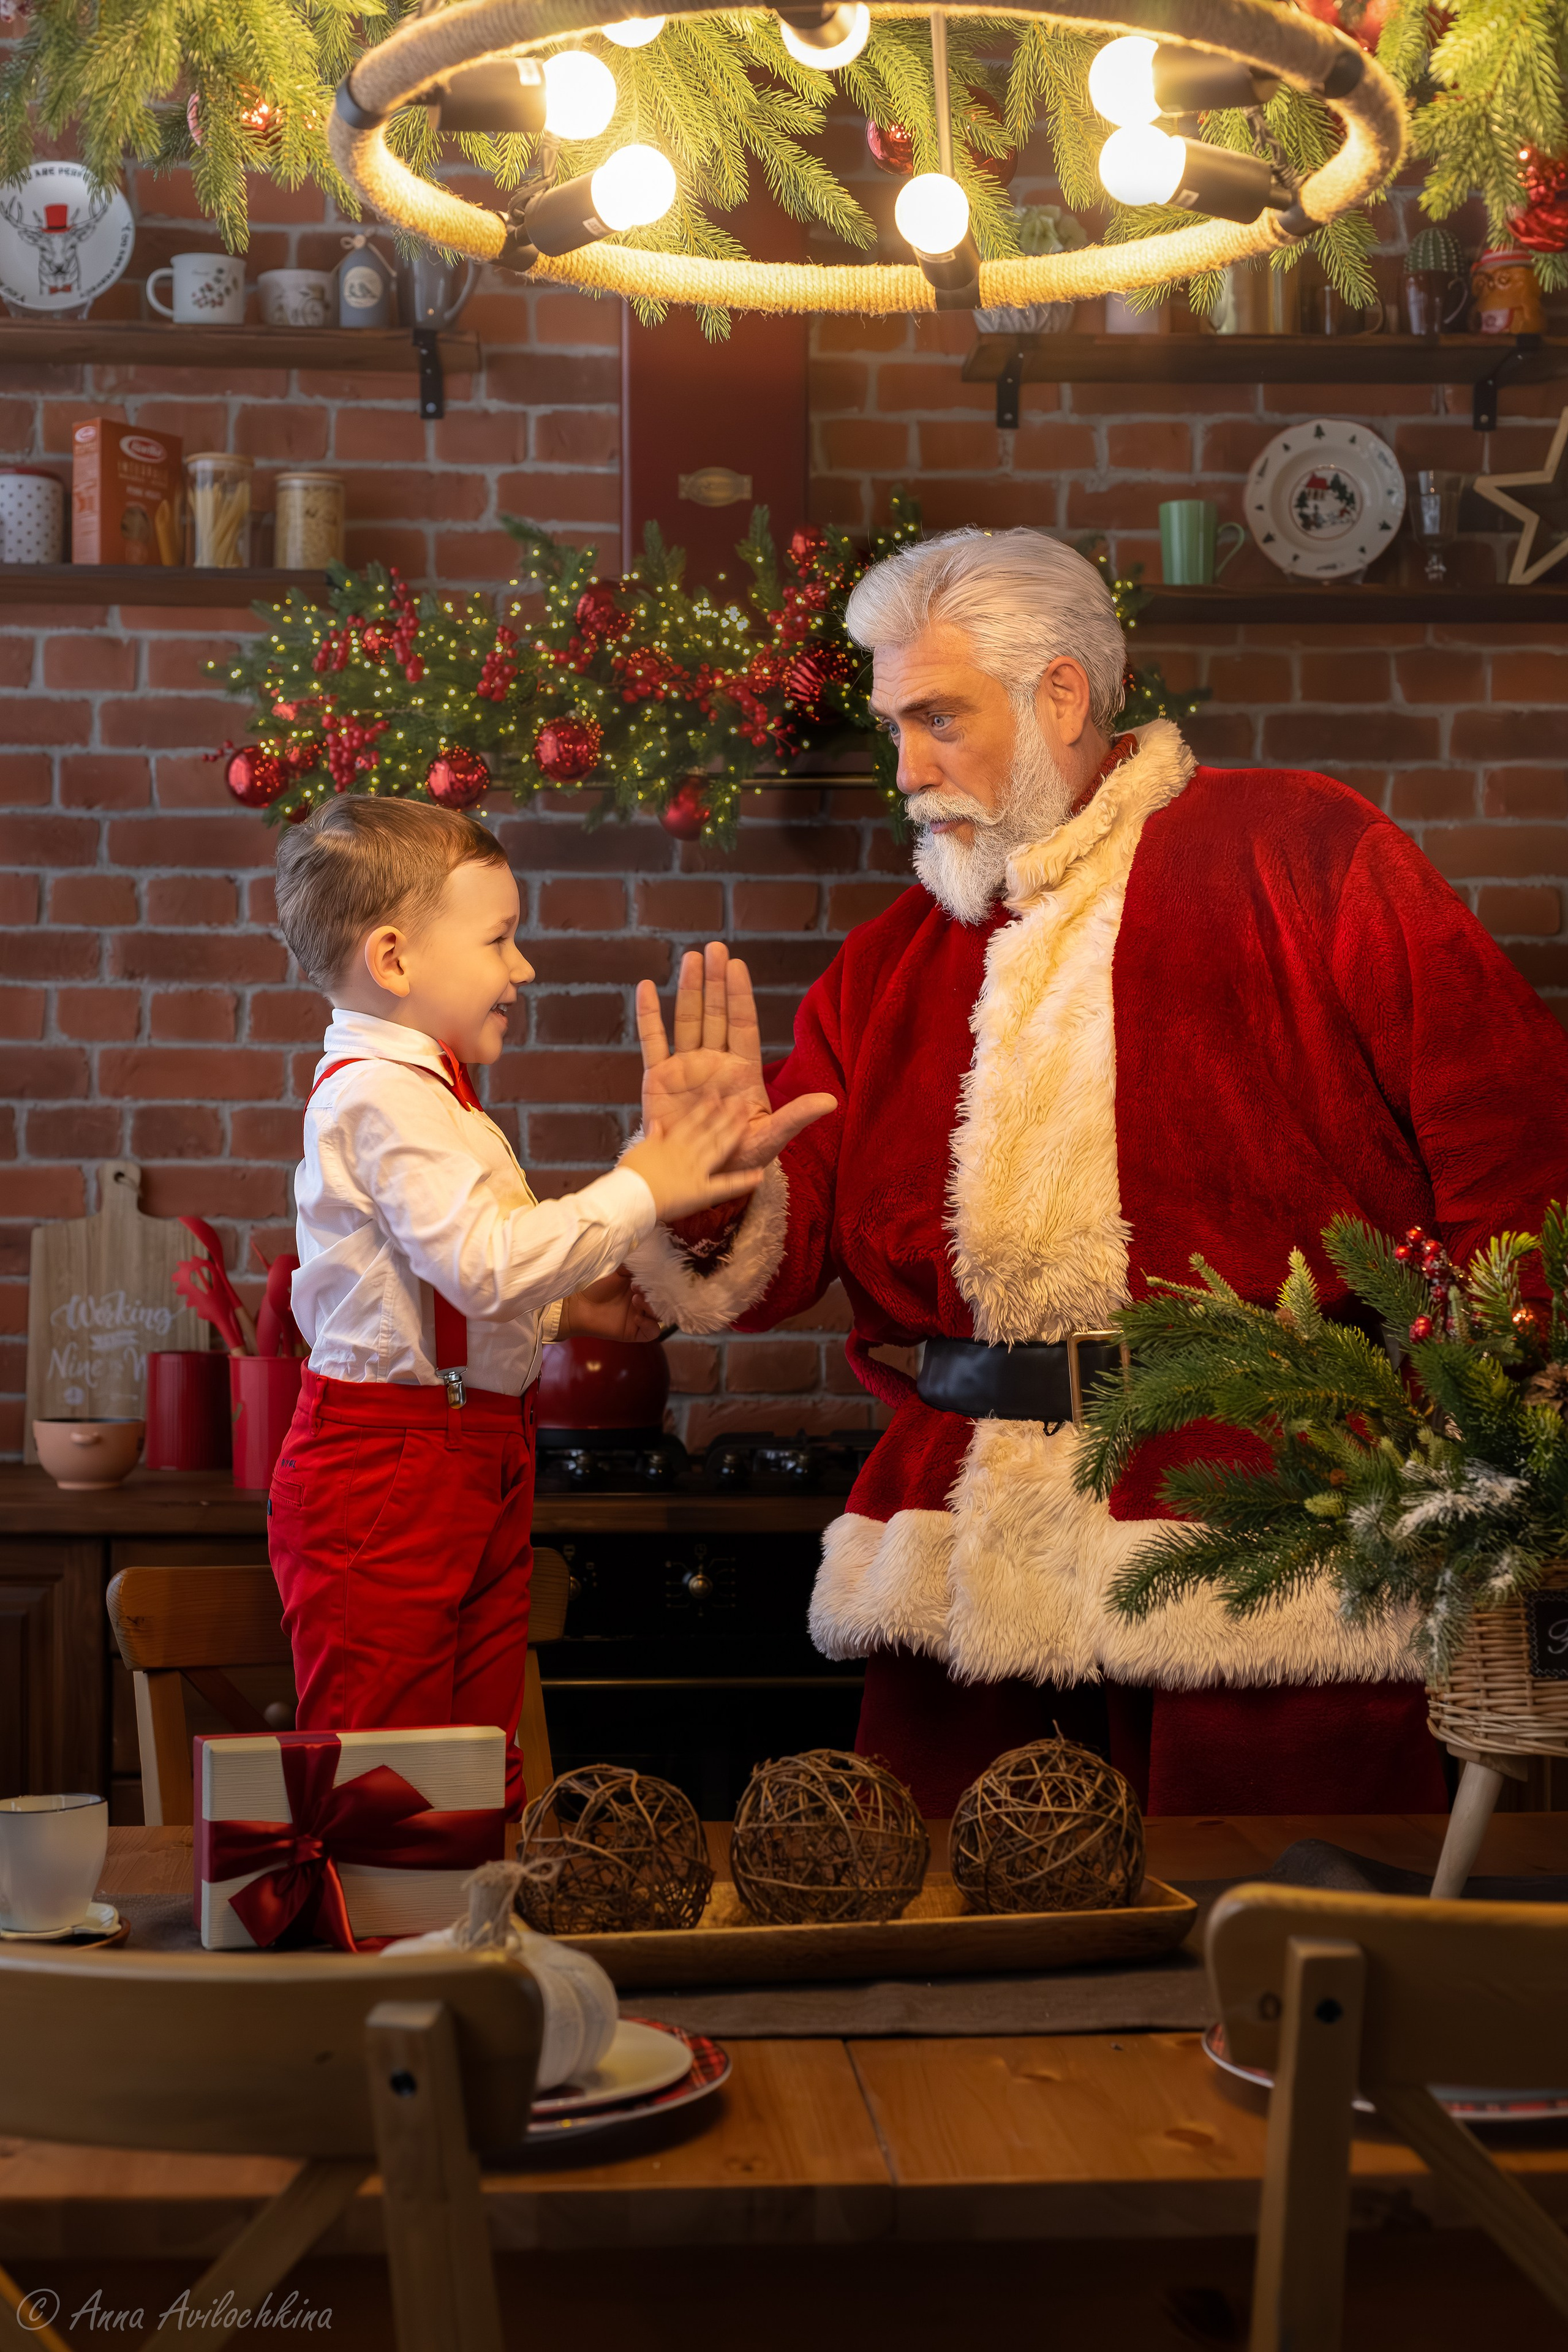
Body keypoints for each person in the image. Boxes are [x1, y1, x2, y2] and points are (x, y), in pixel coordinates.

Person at [626, 527, 1568, 1817]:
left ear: (1057, 693)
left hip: (1269, 1546)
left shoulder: (1302, 851)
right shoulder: (886, 965)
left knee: (1282, 1961)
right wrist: (710, 1180)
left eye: (936, 718)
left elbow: (1513, 1145)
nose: (905, 770)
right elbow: (785, 1254)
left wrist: (1503, 1444)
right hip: (963, 1570)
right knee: (951, 1954)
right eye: (891, 726)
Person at [268, 796, 826, 1811]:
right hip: (392, 1464)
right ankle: (393, 1954)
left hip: (466, 1449)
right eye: (498, 940)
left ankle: (473, 1933)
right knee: (391, 1776)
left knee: (476, 1763)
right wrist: (646, 1185)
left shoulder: (428, 1093)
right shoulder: (379, 1097)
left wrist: (569, 1316)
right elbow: (482, 1265)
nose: (521, 968)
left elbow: (427, 1286)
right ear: (394, 960)